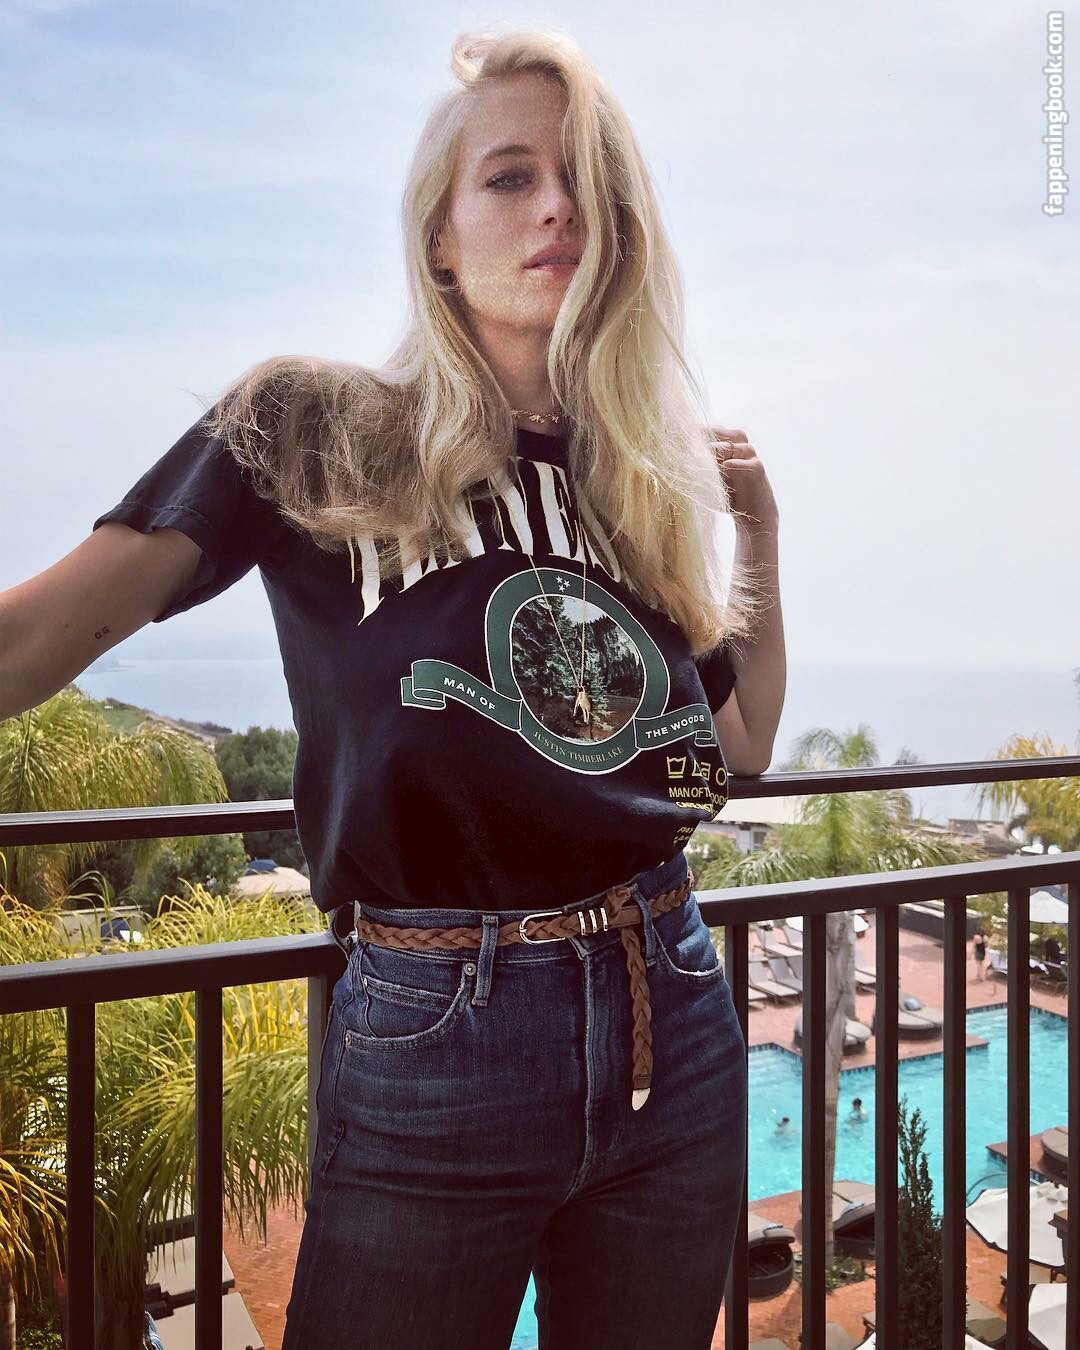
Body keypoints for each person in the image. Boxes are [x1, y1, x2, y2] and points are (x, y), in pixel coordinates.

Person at [0, 29, 786, 1350]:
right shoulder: (317, 428)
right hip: (437, 1032)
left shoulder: (630, 489)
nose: (558, 209)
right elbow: (38, 637)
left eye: (586, 181)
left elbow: (740, 747)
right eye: (511, 177)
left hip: (675, 1004)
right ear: (439, 238)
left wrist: (756, 534)